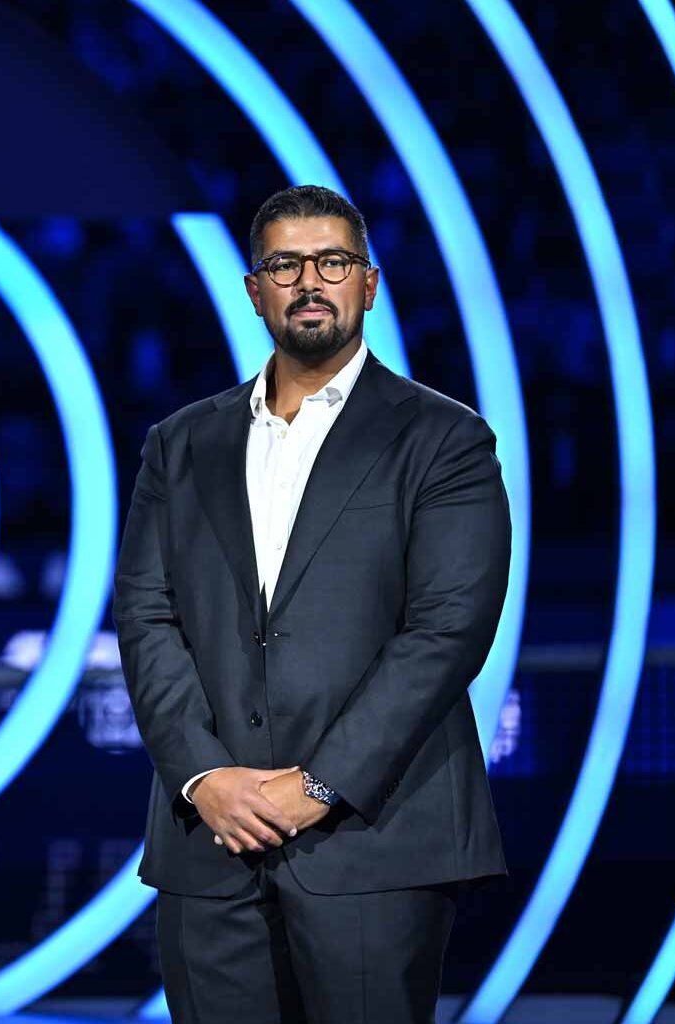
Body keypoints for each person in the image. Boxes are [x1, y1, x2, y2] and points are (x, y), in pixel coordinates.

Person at [115, 184, 510, 1024]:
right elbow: (147, 617)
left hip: (375, 841)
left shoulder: (444, 439)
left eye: (332, 262)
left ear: (369, 283)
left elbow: (446, 631)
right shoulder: (180, 444)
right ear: (254, 290)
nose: (309, 283)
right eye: (285, 265)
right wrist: (204, 777)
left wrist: (322, 784)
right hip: (212, 843)